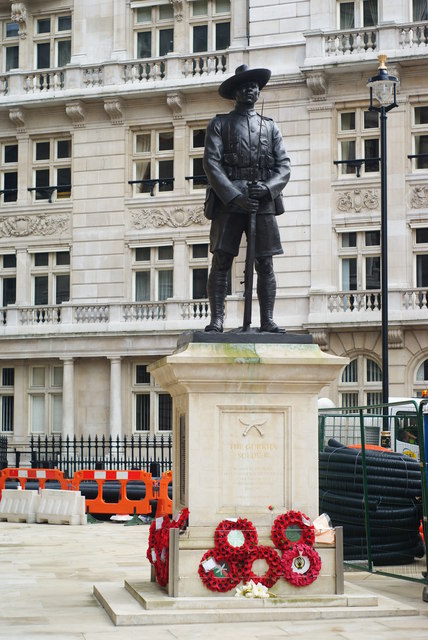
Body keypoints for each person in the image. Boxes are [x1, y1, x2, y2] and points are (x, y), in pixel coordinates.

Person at [203, 64, 291, 333]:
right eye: (245, 86)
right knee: (221, 261)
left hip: (262, 199)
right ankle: (216, 320)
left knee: (265, 262)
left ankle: (267, 320)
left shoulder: (270, 127)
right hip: (229, 202)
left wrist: (267, 189)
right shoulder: (220, 124)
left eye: (254, 86)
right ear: (236, 92)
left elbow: (284, 166)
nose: (250, 89)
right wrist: (234, 196)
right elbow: (211, 164)